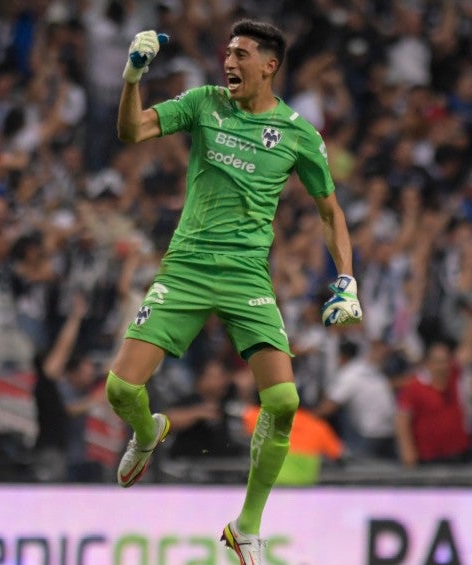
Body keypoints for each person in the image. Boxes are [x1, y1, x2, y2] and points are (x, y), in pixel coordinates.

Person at [108, 21, 362, 563]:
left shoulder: (298, 133)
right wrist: (133, 77)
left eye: (241, 53)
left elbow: (329, 211)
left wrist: (345, 278)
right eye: (226, 51)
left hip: (247, 275)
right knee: (120, 391)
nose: (229, 61)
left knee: (285, 402)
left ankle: (245, 525)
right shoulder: (204, 104)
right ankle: (147, 432)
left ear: (269, 65)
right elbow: (132, 132)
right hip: (186, 270)